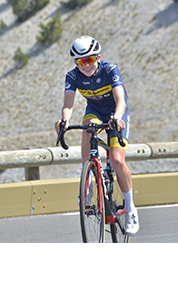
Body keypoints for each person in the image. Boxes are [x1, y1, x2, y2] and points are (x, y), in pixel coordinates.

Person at [55, 36, 138, 235]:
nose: (85, 66)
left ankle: (131, 208)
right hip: (94, 111)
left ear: (98, 58)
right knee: (87, 128)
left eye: (89, 60)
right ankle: (89, 182)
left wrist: (117, 118)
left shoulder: (110, 70)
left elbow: (121, 100)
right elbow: (68, 104)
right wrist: (64, 120)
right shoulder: (72, 76)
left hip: (116, 113)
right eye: (80, 62)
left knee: (117, 161)